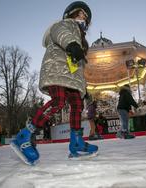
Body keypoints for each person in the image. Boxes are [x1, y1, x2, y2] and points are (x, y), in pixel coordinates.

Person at [10, 1, 97, 165]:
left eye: (86, 18)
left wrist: (84, 88)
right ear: (70, 15)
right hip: (57, 70)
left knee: (78, 105)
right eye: (80, 14)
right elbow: (61, 33)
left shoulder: (81, 40)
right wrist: (71, 44)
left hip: (72, 78)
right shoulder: (64, 25)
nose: (83, 19)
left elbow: (79, 67)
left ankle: (76, 142)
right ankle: (25, 135)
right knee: (59, 101)